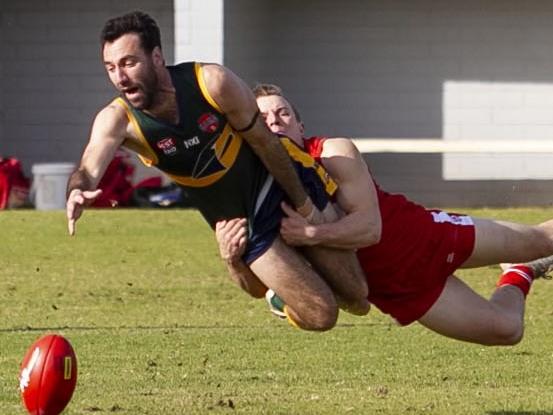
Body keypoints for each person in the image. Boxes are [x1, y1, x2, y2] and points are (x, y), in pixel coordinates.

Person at [65, 11, 369, 332]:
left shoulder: (211, 82)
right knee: (322, 315)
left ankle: (304, 262)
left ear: (156, 57)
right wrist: (77, 188)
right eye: (111, 68)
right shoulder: (119, 119)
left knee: (358, 298)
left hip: (280, 187)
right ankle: (283, 290)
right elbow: (88, 166)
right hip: (243, 224)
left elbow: (266, 144)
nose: (120, 78)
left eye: (128, 63)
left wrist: (304, 205)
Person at [215, 82, 553, 345]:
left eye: (283, 114)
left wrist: (310, 235)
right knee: (508, 330)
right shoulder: (253, 193)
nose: (274, 122)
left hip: (424, 237)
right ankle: (519, 271)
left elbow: (369, 229)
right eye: (264, 119)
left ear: (300, 126)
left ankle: (526, 257)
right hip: (397, 289)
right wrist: (233, 260)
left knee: (542, 240)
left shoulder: (332, 151)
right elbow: (257, 288)